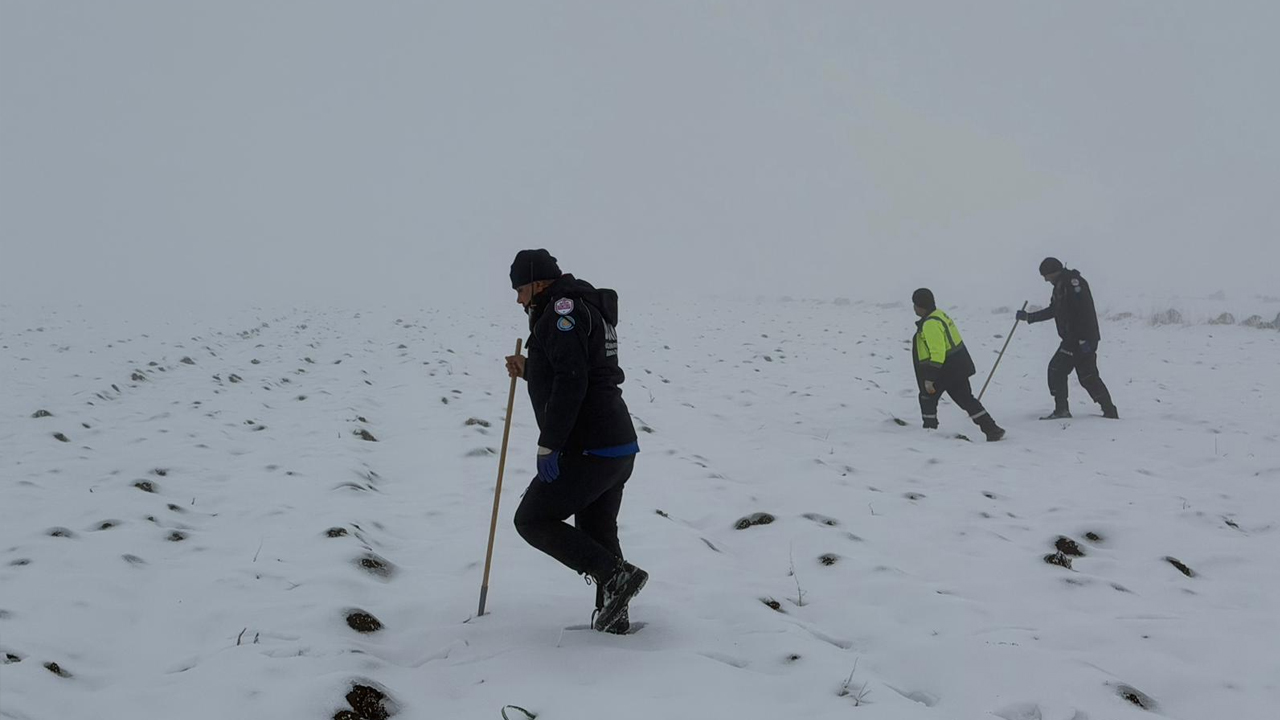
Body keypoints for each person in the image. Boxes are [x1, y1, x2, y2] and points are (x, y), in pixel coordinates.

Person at [504, 249, 647, 634]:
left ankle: (615, 577)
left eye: (520, 290)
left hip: (589, 446)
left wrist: (549, 444)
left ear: (538, 283)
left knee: (532, 519)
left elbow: (572, 381)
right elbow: (576, 368)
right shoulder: (584, 307)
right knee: (597, 531)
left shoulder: (561, 313)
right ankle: (615, 616)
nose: (518, 299)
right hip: (617, 445)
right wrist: (530, 369)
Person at [1017, 257, 1119, 420]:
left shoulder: (1073, 284)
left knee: (1058, 370)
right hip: (1077, 339)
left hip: (1079, 339)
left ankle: (1063, 410)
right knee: (1087, 376)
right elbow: (1054, 310)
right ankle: (1109, 410)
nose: (1045, 279)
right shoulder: (1060, 285)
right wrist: (1029, 317)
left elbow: (1083, 312)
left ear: (1053, 272)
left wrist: (1082, 339)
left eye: (1046, 276)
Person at [912, 289, 1006, 442]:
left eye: (915, 305)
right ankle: (992, 429)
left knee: (927, 397)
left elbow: (938, 352)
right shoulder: (940, 315)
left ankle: (929, 433)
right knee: (966, 399)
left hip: (944, 369)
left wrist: (930, 378)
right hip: (958, 366)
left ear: (920, 306)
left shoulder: (930, 324)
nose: (914, 308)